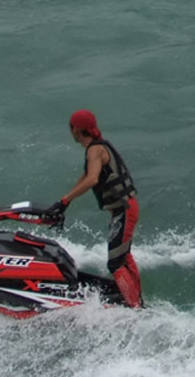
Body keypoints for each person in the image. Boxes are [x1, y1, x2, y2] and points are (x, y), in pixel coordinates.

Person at [47, 109, 143, 307]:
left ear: (76, 129)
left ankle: (134, 308)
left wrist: (65, 200)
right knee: (124, 257)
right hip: (125, 209)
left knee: (115, 263)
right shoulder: (97, 148)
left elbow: (92, 179)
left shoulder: (95, 150)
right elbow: (85, 175)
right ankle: (137, 301)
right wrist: (65, 201)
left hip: (124, 210)